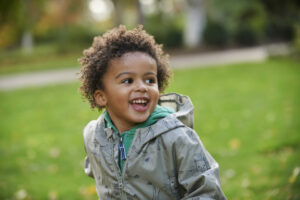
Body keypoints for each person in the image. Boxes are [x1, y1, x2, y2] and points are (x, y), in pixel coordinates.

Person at [79, 25, 227, 200]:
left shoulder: (177, 138)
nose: (142, 87)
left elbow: (207, 192)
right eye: (128, 80)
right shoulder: (94, 136)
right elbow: (96, 170)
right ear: (101, 97)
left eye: (150, 80)